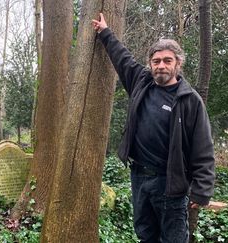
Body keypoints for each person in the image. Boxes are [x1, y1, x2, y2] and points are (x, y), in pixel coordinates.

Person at [92, 13, 215, 243]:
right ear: (150, 64)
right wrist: (105, 32)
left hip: (170, 183)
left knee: (174, 238)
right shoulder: (142, 82)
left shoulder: (190, 100)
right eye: (156, 61)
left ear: (178, 63)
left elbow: (203, 149)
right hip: (139, 177)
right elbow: (123, 58)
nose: (161, 65)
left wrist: (202, 189)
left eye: (167, 60)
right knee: (145, 234)